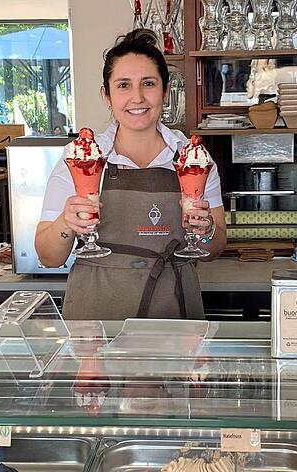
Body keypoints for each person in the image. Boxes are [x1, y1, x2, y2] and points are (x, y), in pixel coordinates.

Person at [35, 29, 226, 320]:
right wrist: (67, 221)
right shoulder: (82, 158)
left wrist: (207, 231)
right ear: (107, 95)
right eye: (123, 85)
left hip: (174, 316)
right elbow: (49, 257)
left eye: (148, 84)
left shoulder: (192, 158)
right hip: (96, 323)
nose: (137, 97)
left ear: (164, 91)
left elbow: (214, 250)